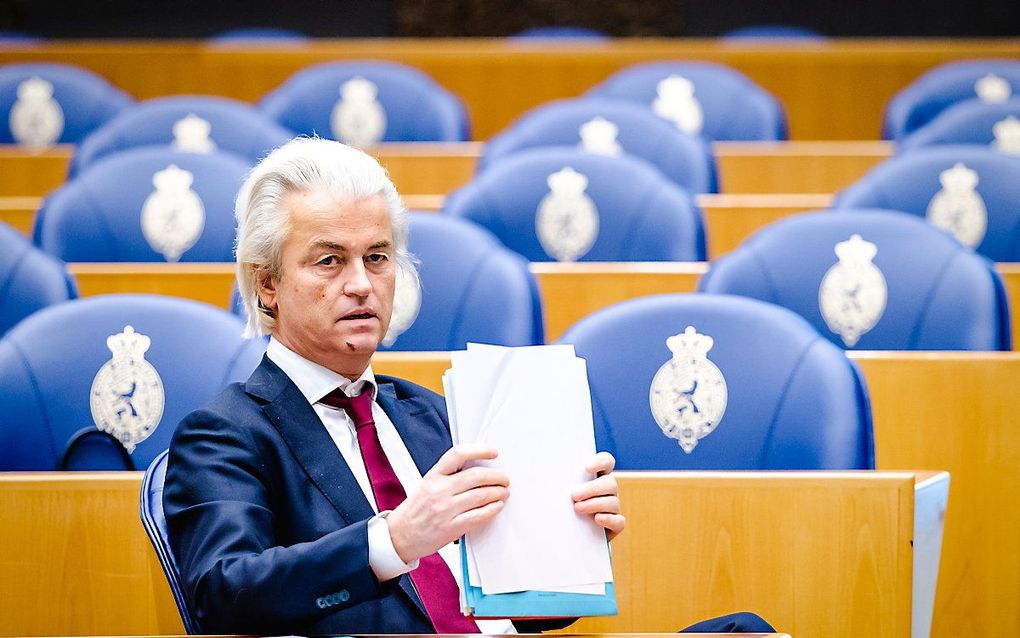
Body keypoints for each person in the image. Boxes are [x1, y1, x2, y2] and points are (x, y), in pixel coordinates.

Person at [163, 137, 772, 635]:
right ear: (266, 283)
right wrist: (396, 538)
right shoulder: (226, 434)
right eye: (329, 261)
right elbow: (223, 596)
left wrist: (571, 548)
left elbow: (528, 615)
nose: (361, 284)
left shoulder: (432, 415)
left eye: (377, 258)